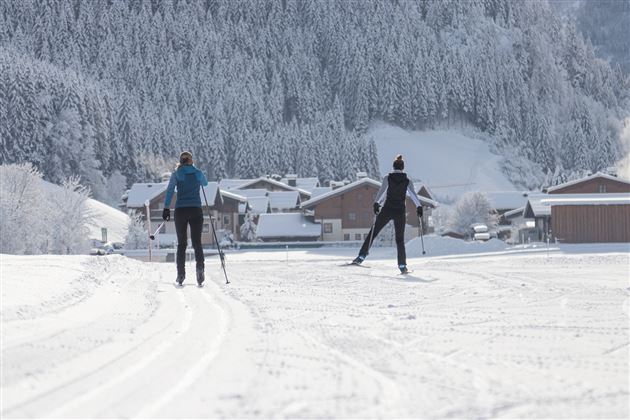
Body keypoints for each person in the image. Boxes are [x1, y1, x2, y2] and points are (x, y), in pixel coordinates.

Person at [352, 154, 423, 274]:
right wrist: (419, 207)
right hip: (400, 211)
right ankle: (402, 266)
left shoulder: (387, 178)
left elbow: (382, 192)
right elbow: (413, 195)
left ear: (393, 167)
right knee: (399, 240)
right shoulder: (407, 180)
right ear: (403, 168)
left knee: (373, 233)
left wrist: (376, 203)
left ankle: (360, 258)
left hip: (387, 209)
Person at [162, 151, 209, 286]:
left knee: (182, 244)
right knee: (197, 243)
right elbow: (205, 184)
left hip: (181, 210)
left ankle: (180, 274)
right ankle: (200, 269)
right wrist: (196, 173)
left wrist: (166, 208)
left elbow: (170, 190)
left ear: (181, 161)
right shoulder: (198, 173)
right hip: (196, 210)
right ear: (191, 160)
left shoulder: (176, 174)